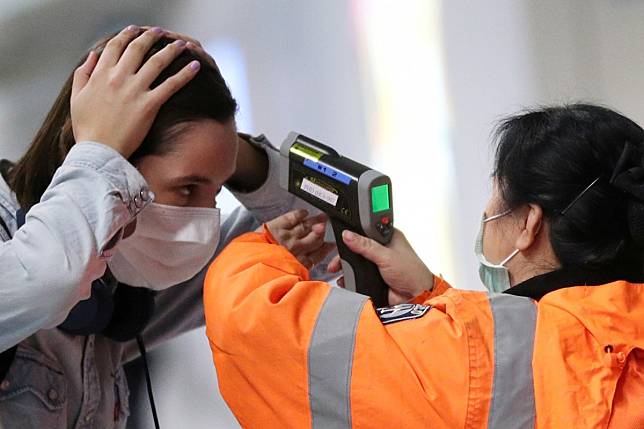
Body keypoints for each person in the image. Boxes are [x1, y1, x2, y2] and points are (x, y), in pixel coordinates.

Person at [204, 104, 644, 428]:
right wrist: (433, 298)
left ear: (528, 225)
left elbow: (254, 330)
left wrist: (267, 247)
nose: (486, 218)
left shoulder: (489, 352)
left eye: (493, 201)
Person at [0, 26, 331, 427]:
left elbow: (326, 224)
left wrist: (231, 153)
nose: (203, 220)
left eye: (216, 189)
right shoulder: (46, 264)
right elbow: (49, 280)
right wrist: (99, 149)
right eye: (188, 188)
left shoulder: (117, 285)